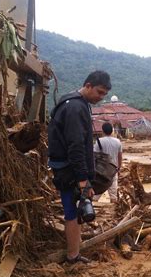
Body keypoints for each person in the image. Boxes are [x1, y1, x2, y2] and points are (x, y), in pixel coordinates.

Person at [47, 70, 111, 264]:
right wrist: (83, 180)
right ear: (88, 85)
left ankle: (74, 249)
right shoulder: (76, 107)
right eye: (99, 92)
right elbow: (76, 145)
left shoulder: (72, 102)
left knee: (76, 209)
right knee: (72, 211)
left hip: (66, 167)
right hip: (70, 170)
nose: (100, 98)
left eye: (104, 95)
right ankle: (73, 255)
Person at [94, 122, 122, 203]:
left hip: (100, 171)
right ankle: (114, 214)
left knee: (96, 194)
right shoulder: (118, 141)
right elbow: (119, 156)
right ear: (112, 131)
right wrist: (119, 167)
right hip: (113, 170)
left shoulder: (99, 141)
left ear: (102, 131)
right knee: (113, 196)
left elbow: (94, 156)